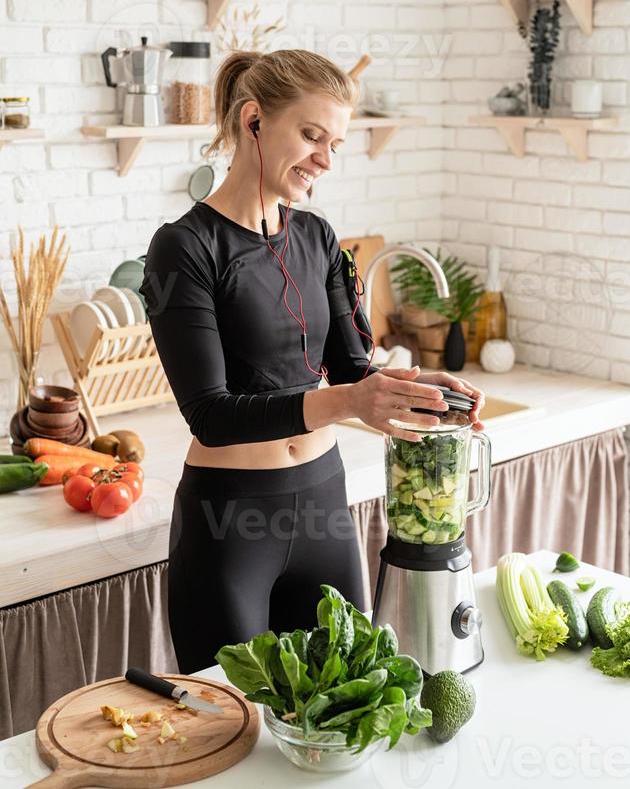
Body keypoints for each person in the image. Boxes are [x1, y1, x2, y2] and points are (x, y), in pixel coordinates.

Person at [139, 49, 485, 674]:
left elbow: (355, 371)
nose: (326, 159)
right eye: (311, 135)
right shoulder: (183, 247)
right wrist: (352, 402)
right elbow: (210, 415)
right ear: (253, 123)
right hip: (229, 521)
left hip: (324, 504)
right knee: (239, 730)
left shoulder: (319, 237)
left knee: (347, 702)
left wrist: (417, 389)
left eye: (336, 143)